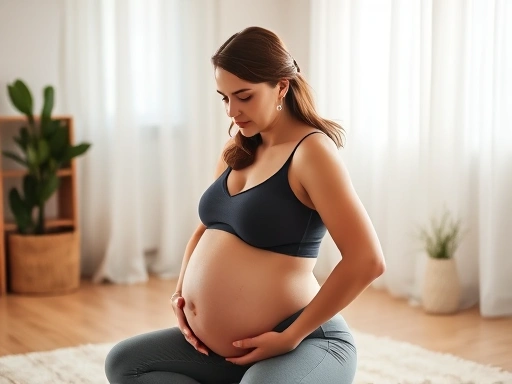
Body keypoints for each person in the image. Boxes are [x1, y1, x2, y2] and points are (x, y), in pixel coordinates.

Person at [105, 26, 385, 384]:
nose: (232, 111)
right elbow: (208, 228)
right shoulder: (238, 150)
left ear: (281, 86)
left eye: (244, 96)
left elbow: (367, 260)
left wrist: (290, 336)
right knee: (125, 364)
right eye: (224, 97)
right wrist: (181, 295)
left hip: (305, 343)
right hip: (229, 350)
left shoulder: (311, 152)